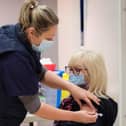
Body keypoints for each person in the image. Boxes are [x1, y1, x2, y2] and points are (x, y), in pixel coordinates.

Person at [0, 0, 100, 126]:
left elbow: (40, 72)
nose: (51, 41)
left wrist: (71, 87)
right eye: (48, 38)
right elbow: (35, 107)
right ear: (32, 32)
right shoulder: (14, 57)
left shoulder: (21, 35)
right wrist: (75, 116)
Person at [54, 49, 118, 126]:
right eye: (70, 69)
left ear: (93, 73)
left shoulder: (99, 103)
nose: (71, 74)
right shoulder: (69, 100)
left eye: (77, 70)